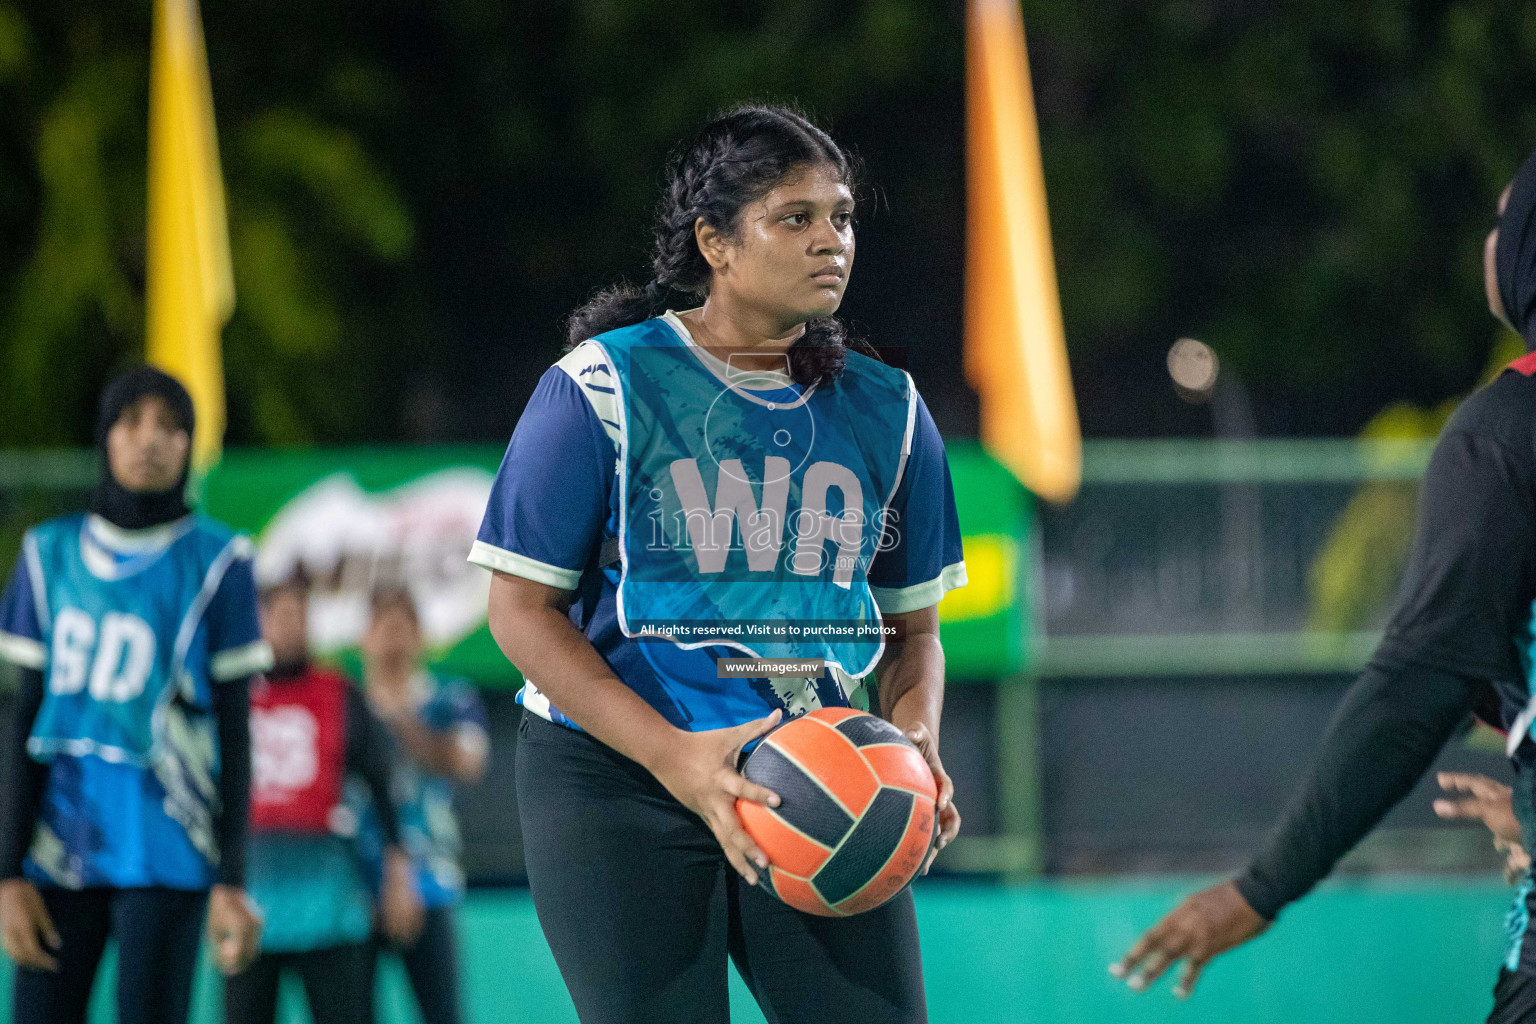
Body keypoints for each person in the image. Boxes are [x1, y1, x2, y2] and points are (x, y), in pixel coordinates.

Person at [469, 105, 967, 1024]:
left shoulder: (888, 409)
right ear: (715, 242)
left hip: (820, 772)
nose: (833, 241)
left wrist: (916, 740)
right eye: (795, 217)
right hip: (617, 778)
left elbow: (913, 632)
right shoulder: (601, 387)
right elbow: (520, 615)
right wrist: (679, 761)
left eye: (843, 216)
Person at [1113, 146, 1536, 1023]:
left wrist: (1262, 887)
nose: (1490, 242)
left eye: (1505, 220)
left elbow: (1419, 682)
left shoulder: (1508, 431)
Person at [0, 367, 267, 1024]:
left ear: (188, 447)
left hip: (169, 850)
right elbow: (21, 718)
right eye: (132, 421)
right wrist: (7, 872)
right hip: (59, 852)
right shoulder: (47, 554)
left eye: (171, 426)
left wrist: (233, 878)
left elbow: (236, 729)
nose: (150, 439)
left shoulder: (221, 561)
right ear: (106, 437)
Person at [225, 568, 423, 1024]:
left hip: (331, 905)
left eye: (300, 614)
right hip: (251, 902)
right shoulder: (231, 699)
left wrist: (397, 870)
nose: (291, 625)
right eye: (280, 615)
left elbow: (381, 785)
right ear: (259, 621)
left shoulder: (340, 693)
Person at [356, 584, 488, 1024]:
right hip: (354, 886)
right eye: (383, 627)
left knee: (442, 1014)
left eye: (403, 627)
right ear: (363, 638)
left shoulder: (451, 698)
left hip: (431, 878)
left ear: (420, 636)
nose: (392, 639)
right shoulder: (345, 705)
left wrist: (399, 716)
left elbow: (468, 763)